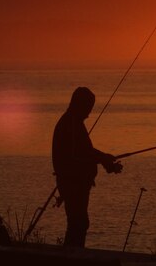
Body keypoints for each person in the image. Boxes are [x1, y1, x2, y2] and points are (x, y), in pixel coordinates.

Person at [52, 86, 123, 247]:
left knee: (79, 223)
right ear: (79, 105)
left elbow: (86, 151)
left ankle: (73, 256)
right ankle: (72, 257)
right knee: (78, 223)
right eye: (88, 107)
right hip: (73, 183)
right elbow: (75, 156)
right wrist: (101, 159)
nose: (89, 113)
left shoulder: (74, 122)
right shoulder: (69, 124)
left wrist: (105, 160)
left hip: (77, 183)